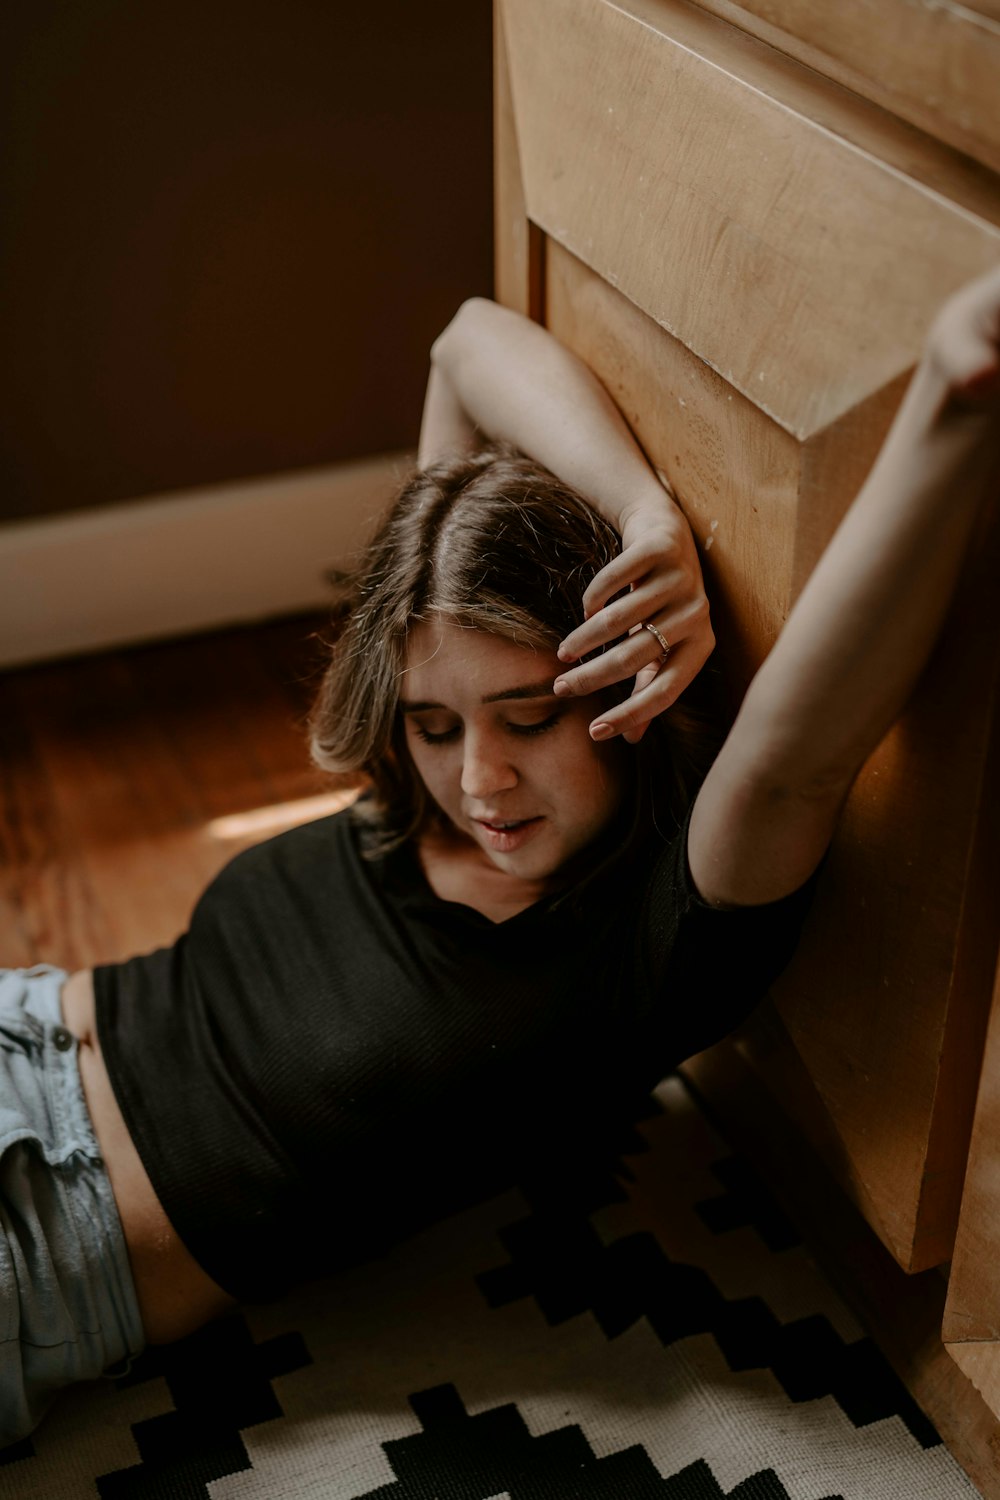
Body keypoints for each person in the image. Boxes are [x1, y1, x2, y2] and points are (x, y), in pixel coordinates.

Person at [2, 266, 998, 1448]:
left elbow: (798, 756)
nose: (477, 780)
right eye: (434, 727)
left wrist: (954, 379)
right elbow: (463, 348)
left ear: (612, 679)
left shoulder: (654, 935)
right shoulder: (424, 757)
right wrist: (645, 517)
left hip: (56, 1237)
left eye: (528, 719)